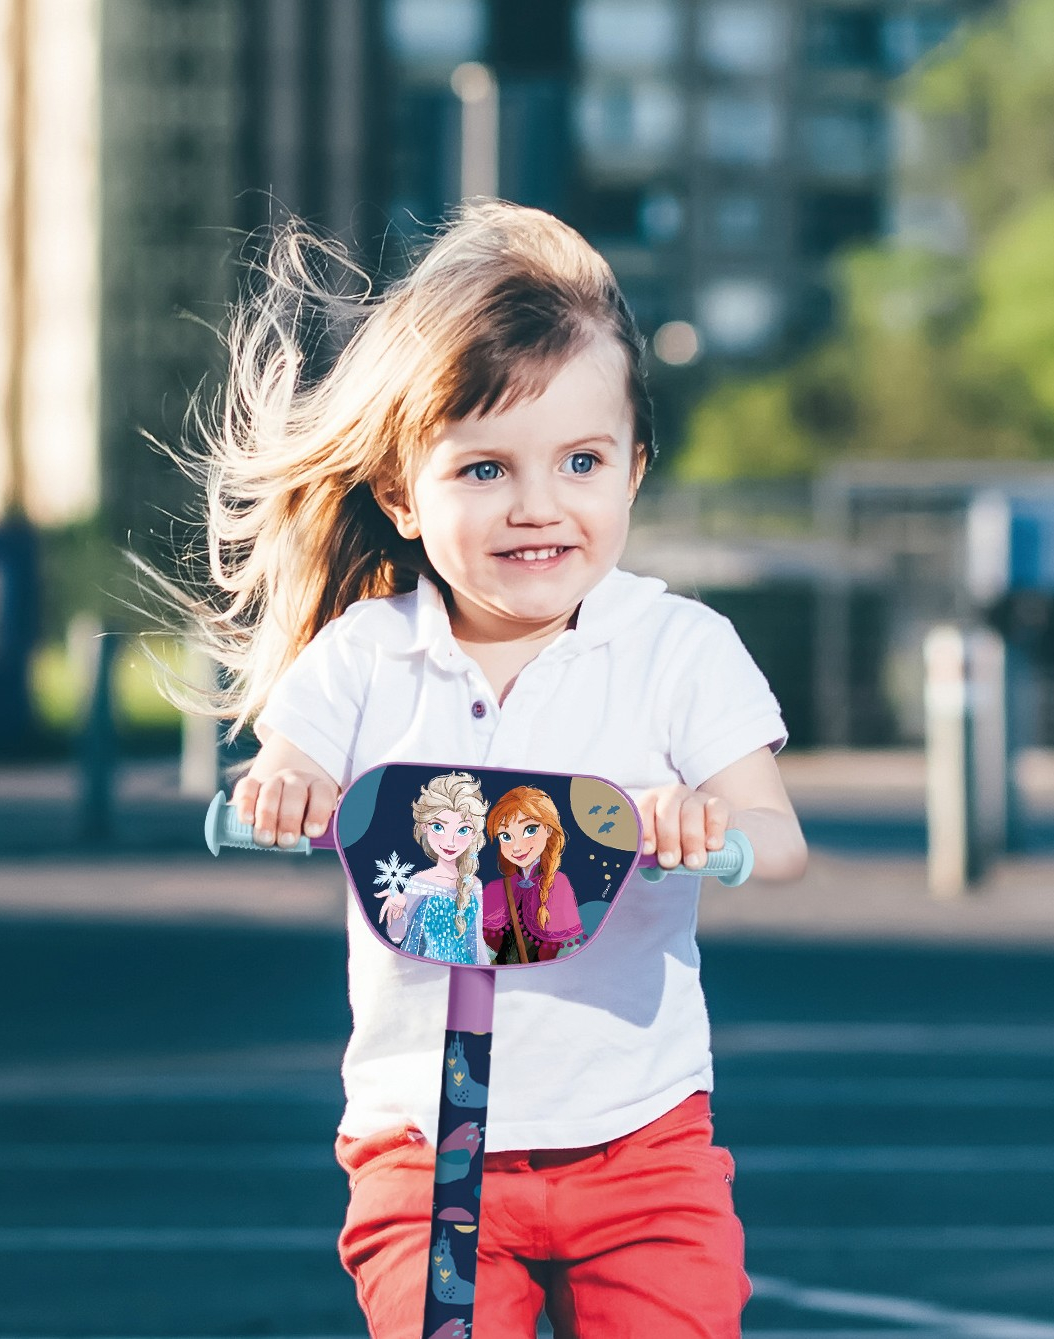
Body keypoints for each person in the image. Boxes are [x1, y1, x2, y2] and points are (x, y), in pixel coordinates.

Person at [175, 199, 808, 1338]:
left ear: (633, 470)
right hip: (426, 1140)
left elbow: (779, 835)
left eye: (581, 462)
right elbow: (292, 761)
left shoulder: (676, 648)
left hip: (638, 1135)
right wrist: (286, 789)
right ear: (400, 494)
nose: (536, 506)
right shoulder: (366, 655)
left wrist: (703, 827)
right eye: (482, 468)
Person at [380, 770, 491, 966]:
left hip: (469, 970)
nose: (450, 842)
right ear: (424, 826)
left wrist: (488, 971)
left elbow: (477, 942)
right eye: (439, 827)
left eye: (462, 830)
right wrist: (398, 909)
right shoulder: (420, 882)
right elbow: (397, 936)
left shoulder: (474, 884)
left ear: (474, 833)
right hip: (428, 972)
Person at [482, 785, 585, 963]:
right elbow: (484, 951)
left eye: (530, 830)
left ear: (549, 829)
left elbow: (569, 950)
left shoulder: (558, 885)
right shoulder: (495, 889)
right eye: (506, 836)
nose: (516, 847)